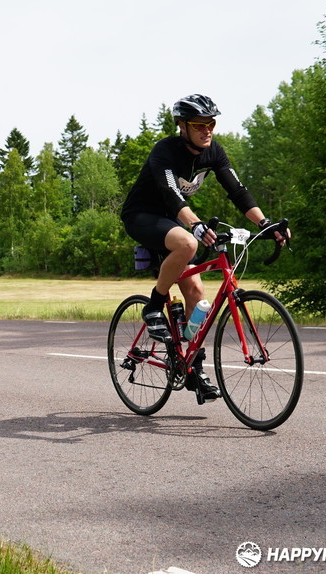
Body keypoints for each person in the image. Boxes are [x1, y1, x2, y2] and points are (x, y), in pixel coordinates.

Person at [120, 94, 287, 403]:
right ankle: (153, 307)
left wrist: (266, 223)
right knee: (188, 241)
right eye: (199, 124)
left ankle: (194, 369)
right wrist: (195, 223)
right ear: (182, 126)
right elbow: (172, 196)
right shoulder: (165, 151)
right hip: (143, 216)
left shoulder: (214, 153)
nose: (207, 129)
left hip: (173, 220)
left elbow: (237, 191)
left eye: (210, 123)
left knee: (197, 293)